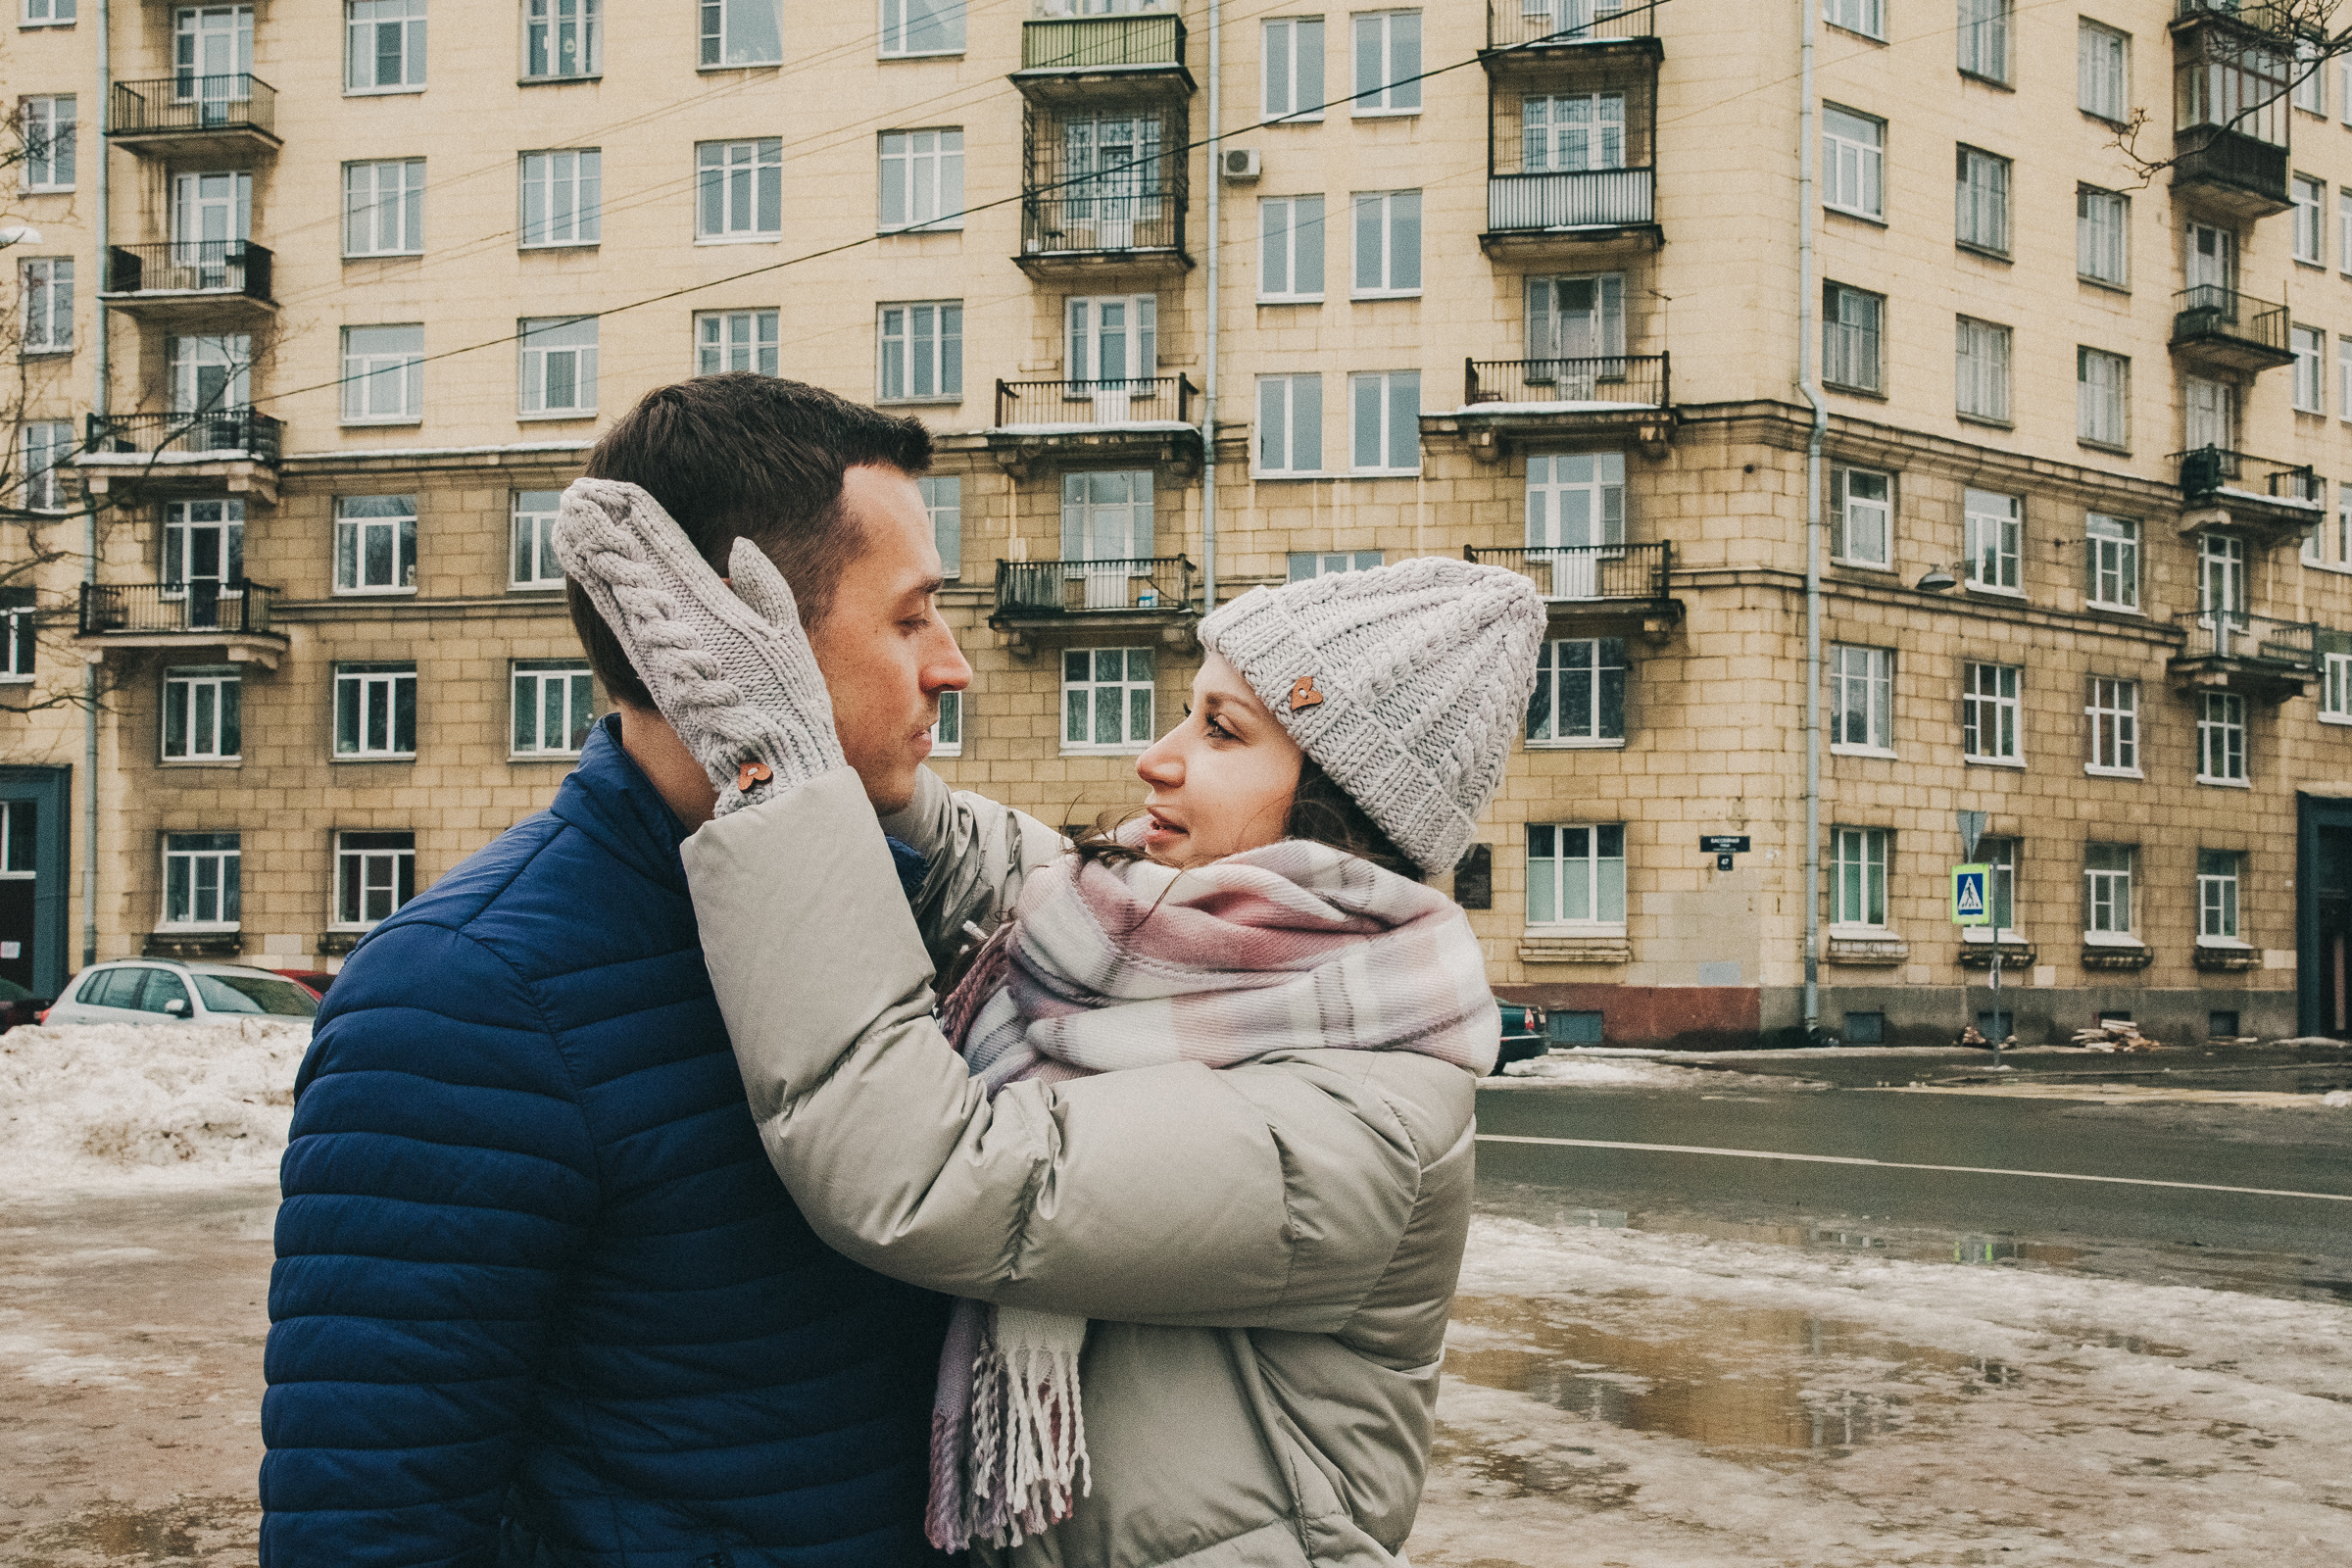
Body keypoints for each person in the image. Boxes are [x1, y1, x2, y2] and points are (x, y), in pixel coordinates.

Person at [555, 475, 1546, 1568]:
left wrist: (784, 778)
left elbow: (942, 1176)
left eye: (1222, 731)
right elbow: (982, 859)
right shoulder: (1142, 934)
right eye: (1186, 710)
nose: (1157, 756)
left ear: (1340, 811)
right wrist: (825, 719)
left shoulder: (1360, 1120)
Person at [259, 376, 976, 1567]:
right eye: (910, 619)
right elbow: (371, 1523)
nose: (950, 667)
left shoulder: (903, 926)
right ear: (739, 636)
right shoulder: (464, 998)